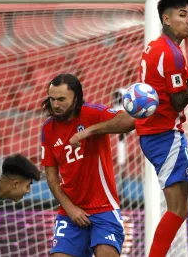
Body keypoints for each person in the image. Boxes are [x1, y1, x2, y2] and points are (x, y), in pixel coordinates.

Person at [72, 0, 188, 257]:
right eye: (182, 15)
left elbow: (186, 89)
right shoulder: (171, 54)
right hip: (164, 136)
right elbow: (179, 101)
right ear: (166, 19)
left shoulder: (159, 47)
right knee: (178, 207)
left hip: (162, 133)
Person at [41, 73, 133, 257]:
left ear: (76, 99)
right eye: (52, 99)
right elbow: (51, 178)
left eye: (61, 99)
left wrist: (89, 131)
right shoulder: (48, 129)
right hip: (70, 211)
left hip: (104, 208)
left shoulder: (92, 113)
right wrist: (70, 209)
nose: (55, 105)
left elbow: (130, 121)